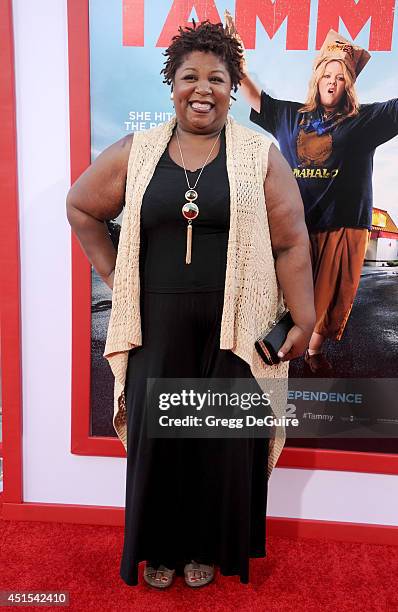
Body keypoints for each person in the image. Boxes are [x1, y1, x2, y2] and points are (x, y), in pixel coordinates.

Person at [66, 21, 315, 589]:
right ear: (171, 84)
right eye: (189, 77)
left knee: (220, 445)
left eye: (217, 78)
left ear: (233, 87)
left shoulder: (259, 154)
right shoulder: (139, 149)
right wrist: (117, 277)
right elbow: (82, 206)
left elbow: (292, 240)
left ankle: (207, 547)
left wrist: (303, 317)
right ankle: (159, 549)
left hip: (238, 328)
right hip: (157, 325)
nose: (202, 88)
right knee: (161, 442)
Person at [227, 16, 398, 374]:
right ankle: (268, 354)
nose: (332, 83)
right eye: (327, 76)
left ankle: (312, 352)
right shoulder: (289, 115)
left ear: (348, 84)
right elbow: (256, 98)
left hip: (343, 222)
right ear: (316, 78)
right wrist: (238, 66)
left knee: (329, 300)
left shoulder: (363, 119)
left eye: (340, 78)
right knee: (292, 296)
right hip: (295, 223)